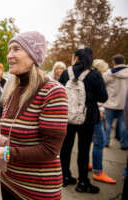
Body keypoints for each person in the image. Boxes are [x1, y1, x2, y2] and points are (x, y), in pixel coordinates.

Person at [0, 31, 68, 200]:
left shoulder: (53, 92)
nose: (9, 56)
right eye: (9, 50)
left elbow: (49, 150)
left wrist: (2, 153)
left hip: (36, 190)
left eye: (16, 49)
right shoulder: (13, 91)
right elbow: (2, 132)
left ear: (33, 55)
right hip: (8, 182)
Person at [59, 48, 108, 193]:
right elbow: (103, 97)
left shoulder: (66, 72)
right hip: (87, 118)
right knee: (84, 150)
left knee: (66, 148)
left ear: (76, 57)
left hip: (67, 117)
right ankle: (82, 182)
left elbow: (59, 92)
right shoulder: (94, 74)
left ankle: (64, 176)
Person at [90, 59, 116, 183]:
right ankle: (98, 171)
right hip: (97, 113)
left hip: (91, 113)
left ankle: (91, 164)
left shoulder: (88, 77)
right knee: (99, 142)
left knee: (90, 141)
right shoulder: (97, 79)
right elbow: (100, 97)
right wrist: (100, 108)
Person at [103, 54, 128, 150]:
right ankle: (124, 144)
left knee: (108, 124)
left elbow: (102, 85)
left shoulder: (108, 74)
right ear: (124, 61)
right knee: (123, 125)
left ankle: (106, 142)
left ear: (114, 62)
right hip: (124, 104)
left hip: (110, 103)